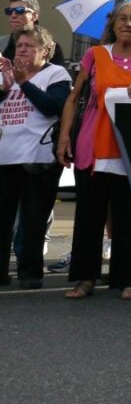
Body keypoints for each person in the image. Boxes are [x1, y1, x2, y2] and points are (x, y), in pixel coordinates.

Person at [58, 0, 131, 300]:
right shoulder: (95, 55)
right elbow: (73, 98)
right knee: (89, 216)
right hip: (93, 145)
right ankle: (85, 278)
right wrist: (64, 137)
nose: (127, 23)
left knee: (130, 217)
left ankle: (129, 278)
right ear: (112, 25)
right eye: (121, 18)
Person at [0, 25, 72, 288]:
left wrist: (23, 84)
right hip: (5, 155)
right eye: (19, 46)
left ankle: (30, 273)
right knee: (2, 219)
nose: (22, 50)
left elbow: (53, 106)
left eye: (29, 46)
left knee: (33, 218)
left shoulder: (56, 73)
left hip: (37, 158)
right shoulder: (6, 75)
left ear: (47, 51)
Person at [2, 0, 66, 66]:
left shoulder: (50, 47)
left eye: (19, 10)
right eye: (9, 11)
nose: (13, 15)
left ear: (34, 16)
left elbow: (58, 76)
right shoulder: (2, 43)